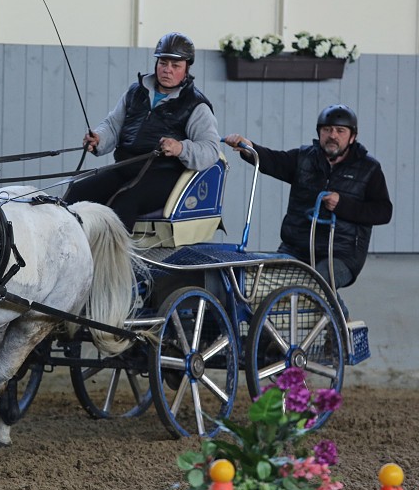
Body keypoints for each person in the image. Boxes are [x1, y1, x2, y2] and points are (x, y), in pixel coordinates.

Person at [224, 104, 393, 316]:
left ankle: (340, 326)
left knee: (316, 281)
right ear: (319, 133)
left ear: (352, 137)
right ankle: (270, 343)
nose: (332, 135)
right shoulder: (304, 158)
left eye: (340, 131)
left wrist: (343, 205)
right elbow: (273, 161)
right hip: (295, 247)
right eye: (327, 130)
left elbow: (383, 211)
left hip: (341, 253)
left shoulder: (369, 169)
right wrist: (249, 149)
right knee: (262, 286)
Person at [63, 32, 221, 230]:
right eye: (163, 63)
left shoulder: (196, 105)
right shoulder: (135, 92)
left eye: (175, 66)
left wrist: (181, 147)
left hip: (163, 175)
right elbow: (113, 125)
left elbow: (211, 150)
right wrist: (99, 138)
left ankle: (116, 261)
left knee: (123, 202)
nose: (167, 70)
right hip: (125, 167)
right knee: (77, 192)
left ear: (187, 68)